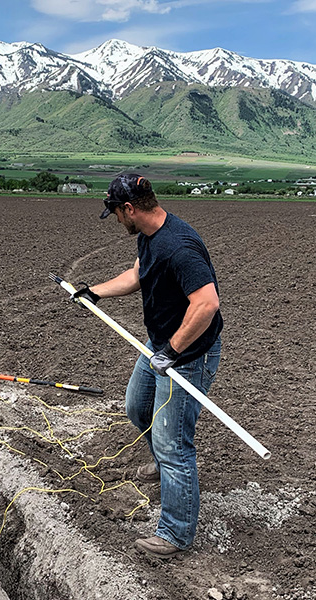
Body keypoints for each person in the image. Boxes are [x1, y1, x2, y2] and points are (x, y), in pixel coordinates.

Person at [71, 174, 223, 558]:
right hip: (160, 344)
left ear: (130, 209)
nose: (117, 222)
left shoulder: (179, 246)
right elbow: (139, 274)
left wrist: (172, 351)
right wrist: (95, 292)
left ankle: (175, 533)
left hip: (188, 354)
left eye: (116, 214)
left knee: (174, 444)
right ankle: (161, 463)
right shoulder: (150, 236)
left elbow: (206, 304)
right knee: (138, 409)